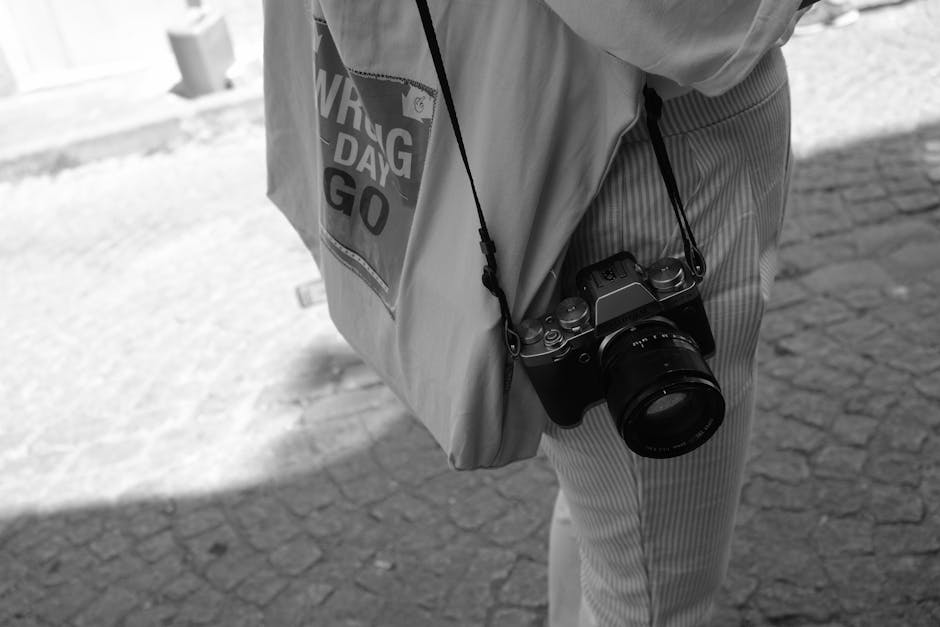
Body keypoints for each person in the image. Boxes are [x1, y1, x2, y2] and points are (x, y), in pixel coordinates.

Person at [537, 2, 805, 625]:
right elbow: (693, 22)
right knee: (657, 587)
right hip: (646, 148)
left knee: (608, 490)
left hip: (560, 136)